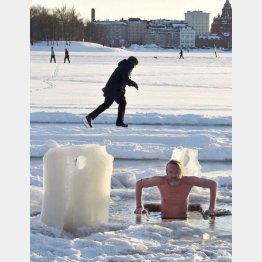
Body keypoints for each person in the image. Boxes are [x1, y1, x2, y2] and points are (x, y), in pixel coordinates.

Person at [134, 159, 217, 219]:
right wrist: (139, 206)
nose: (174, 175)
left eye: (177, 172)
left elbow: (212, 184)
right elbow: (139, 184)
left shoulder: (189, 181)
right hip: (164, 221)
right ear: (166, 172)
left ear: (181, 172)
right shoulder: (160, 181)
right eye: (171, 172)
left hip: (183, 222)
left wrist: (211, 208)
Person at [83, 56, 139, 128]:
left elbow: (121, 80)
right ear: (132, 63)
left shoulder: (124, 66)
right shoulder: (126, 67)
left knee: (107, 104)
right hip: (115, 90)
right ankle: (119, 122)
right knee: (122, 103)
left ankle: (90, 117)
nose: (134, 66)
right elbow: (125, 79)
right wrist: (134, 84)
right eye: (135, 64)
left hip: (111, 89)